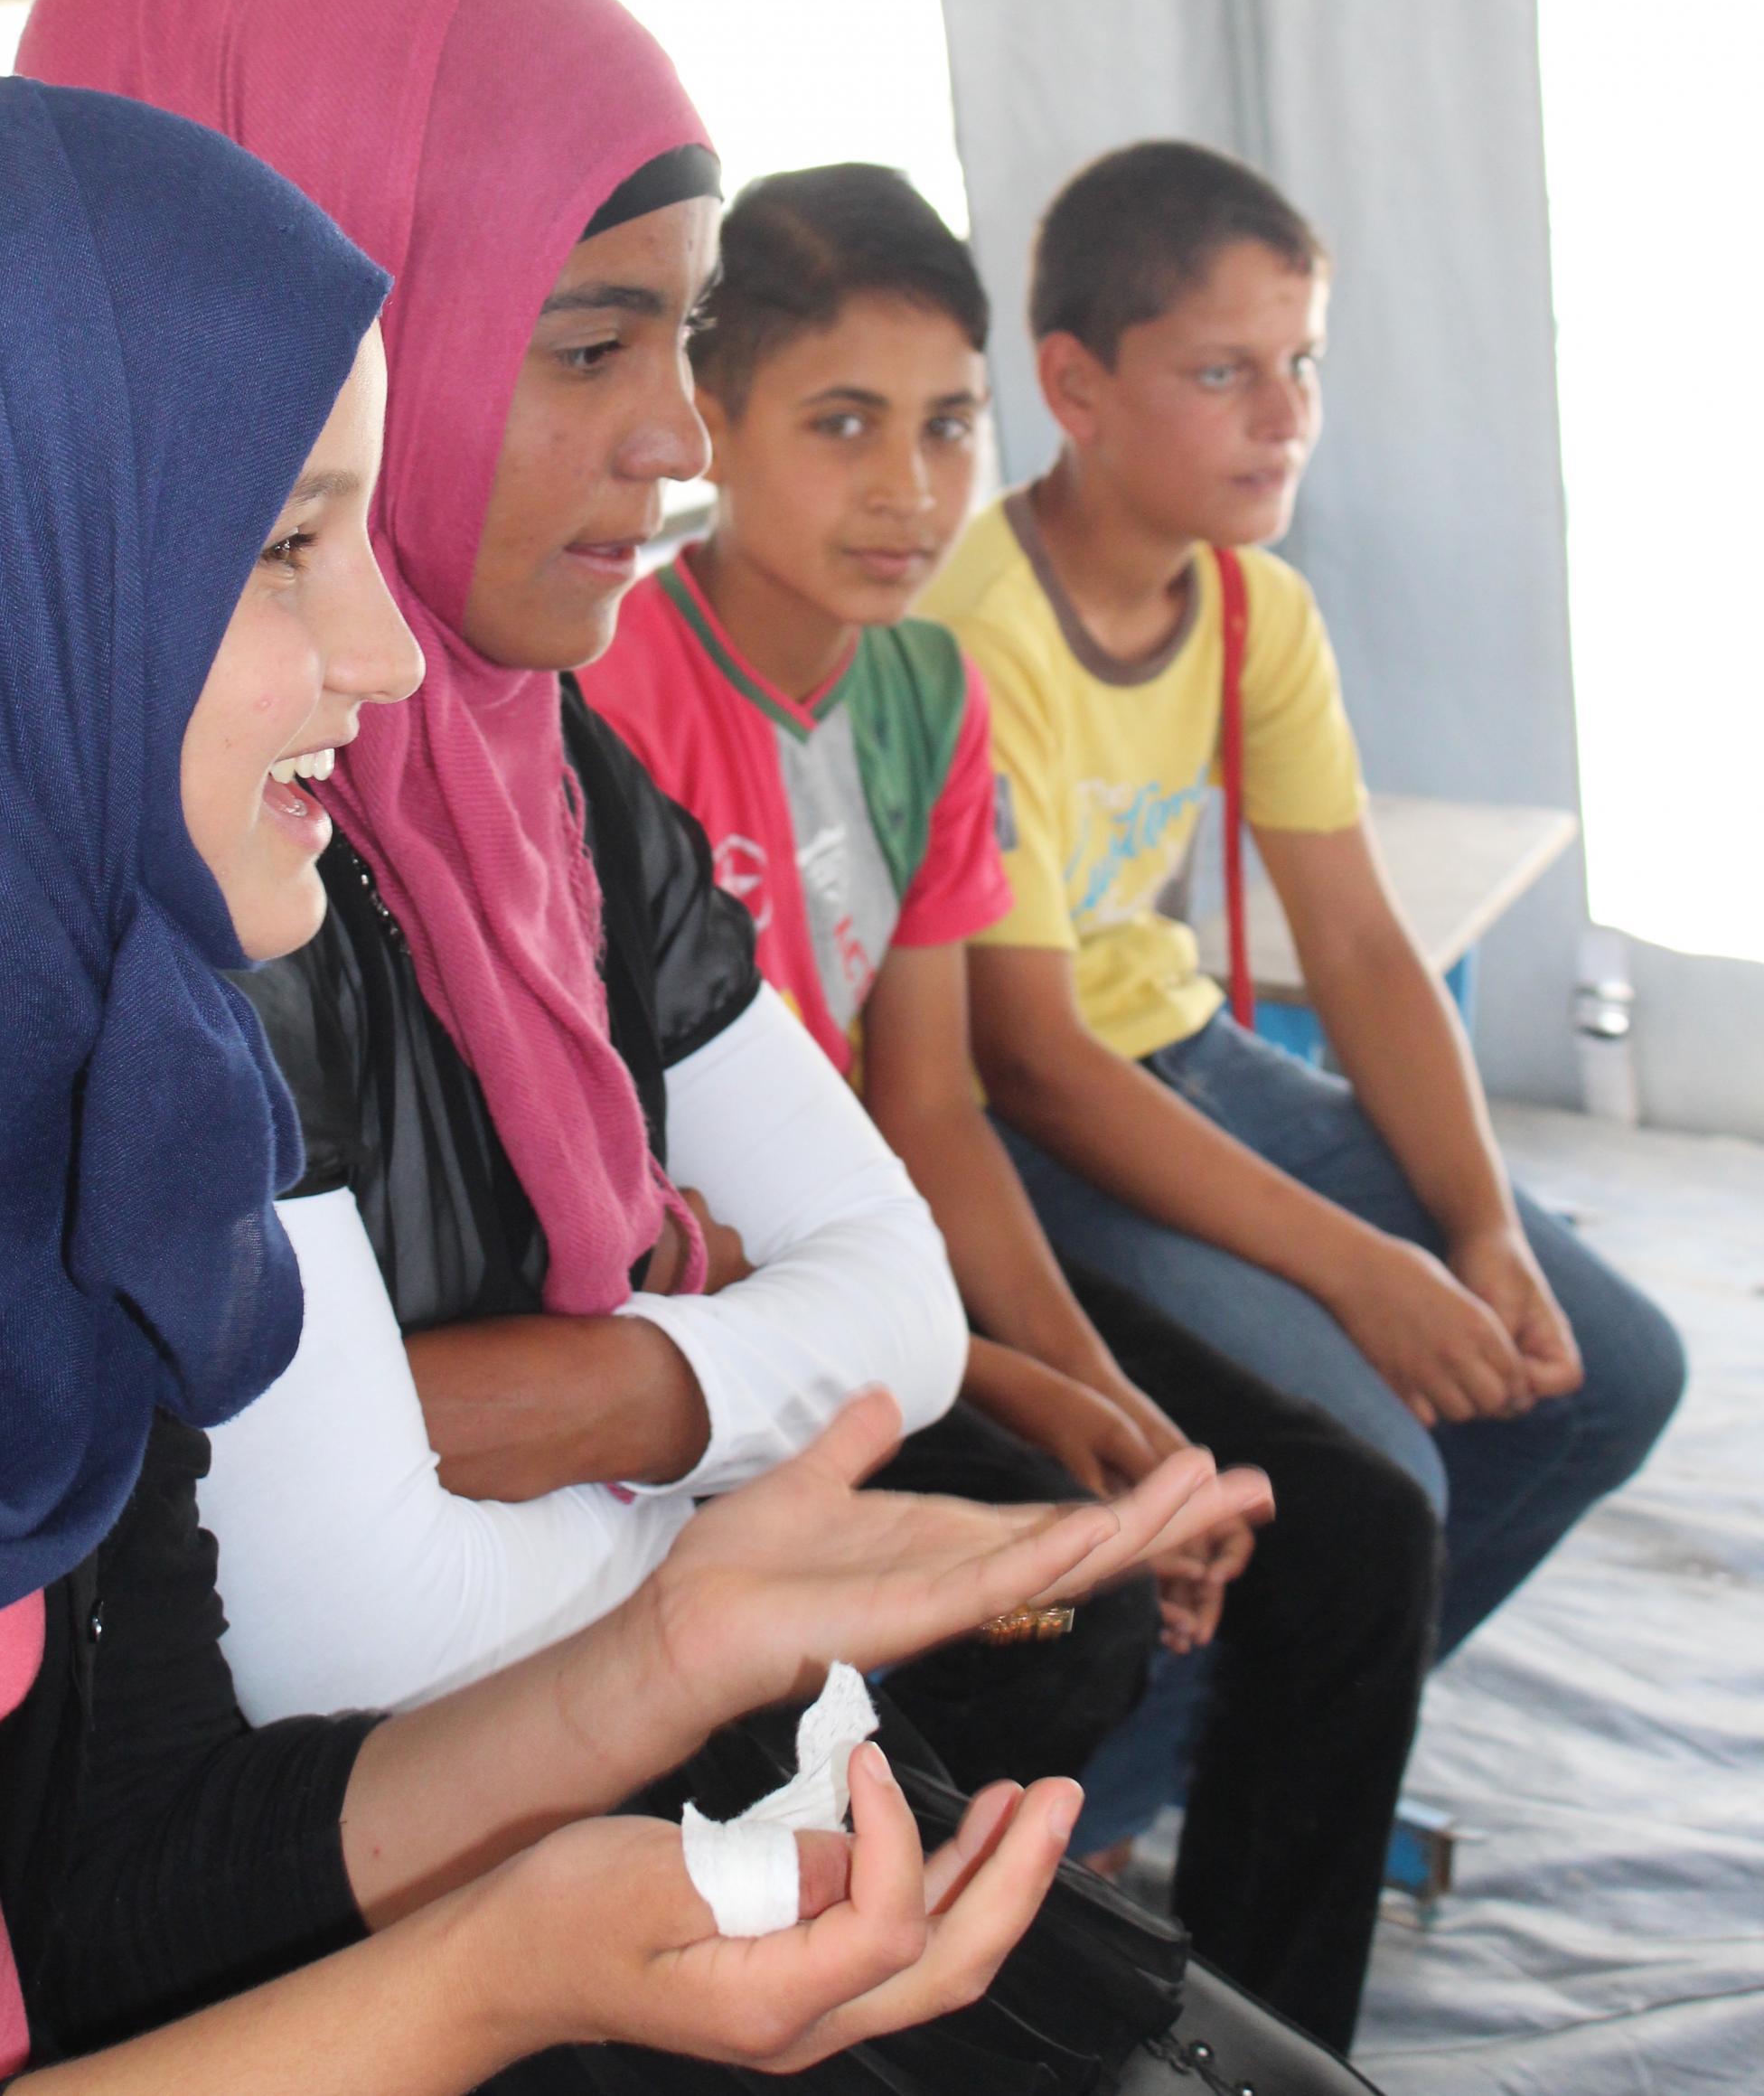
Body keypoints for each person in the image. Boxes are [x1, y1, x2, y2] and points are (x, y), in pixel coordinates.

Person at [0, 75, 1263, 2096]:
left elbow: (105, 1871)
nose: (378, 653)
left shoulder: (82, 1115)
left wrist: (652, 1658)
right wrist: (485, 1977)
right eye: (282, 548)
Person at [14, 0, 1171, 1795]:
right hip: (316, 1863)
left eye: (685, 338)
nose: (680, 440)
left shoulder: (537, 760)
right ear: (341, 302)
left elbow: (892, 1286)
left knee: (1074, 1601)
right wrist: (741, 1509)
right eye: (583, 347)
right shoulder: (182, 837)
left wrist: (580, 1394)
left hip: (571, 1695)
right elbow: (342, 1625)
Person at [581, 160, 1440, 2050]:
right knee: (1074, 1608)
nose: (909, 486)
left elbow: (942, 1110)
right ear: (710, 423)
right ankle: (885, 1968)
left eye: (947, 424)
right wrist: (1016, 1387)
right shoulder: (618, 694)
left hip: (904, 1273)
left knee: (1349, 1518)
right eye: (842, 425)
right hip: (723, 1325)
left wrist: (1096, 1391)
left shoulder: (926, 695)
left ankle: (1249, 2027)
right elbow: (660, 1198)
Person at [920, 138, 1685, 1656]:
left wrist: (1480, 1233)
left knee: (1611, 1376)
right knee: (1366, 1477)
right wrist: (1366, 1267)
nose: (1286, 420)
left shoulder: (1254, 601)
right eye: (1222, 375)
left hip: (1192, 1065)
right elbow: (1028, 1058)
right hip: (1039, 1121)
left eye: (1304, 364)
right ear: (1074, 389)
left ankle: (1278, 1745)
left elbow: (1359, 943)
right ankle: (1098, 1824)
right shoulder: (979, 635)